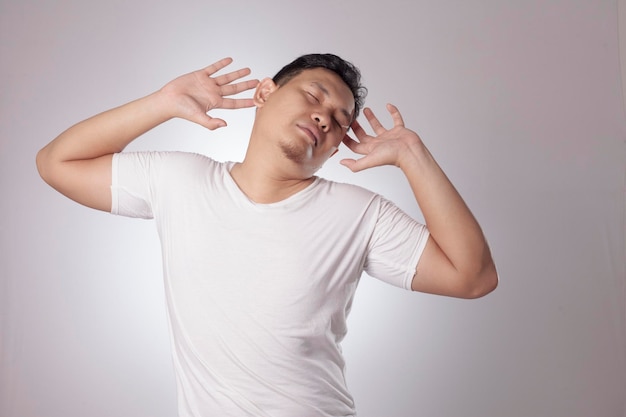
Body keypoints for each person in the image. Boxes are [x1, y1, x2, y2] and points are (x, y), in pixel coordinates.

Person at [36, 54, 498, 416]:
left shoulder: (359, 213)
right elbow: (57, 163)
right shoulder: (181, 180)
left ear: (338, 145)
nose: (324, 117)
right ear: (265, 93)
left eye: (339, 120)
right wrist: (162, 103)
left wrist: (412, 155)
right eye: (314, 96)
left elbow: (472, 277)